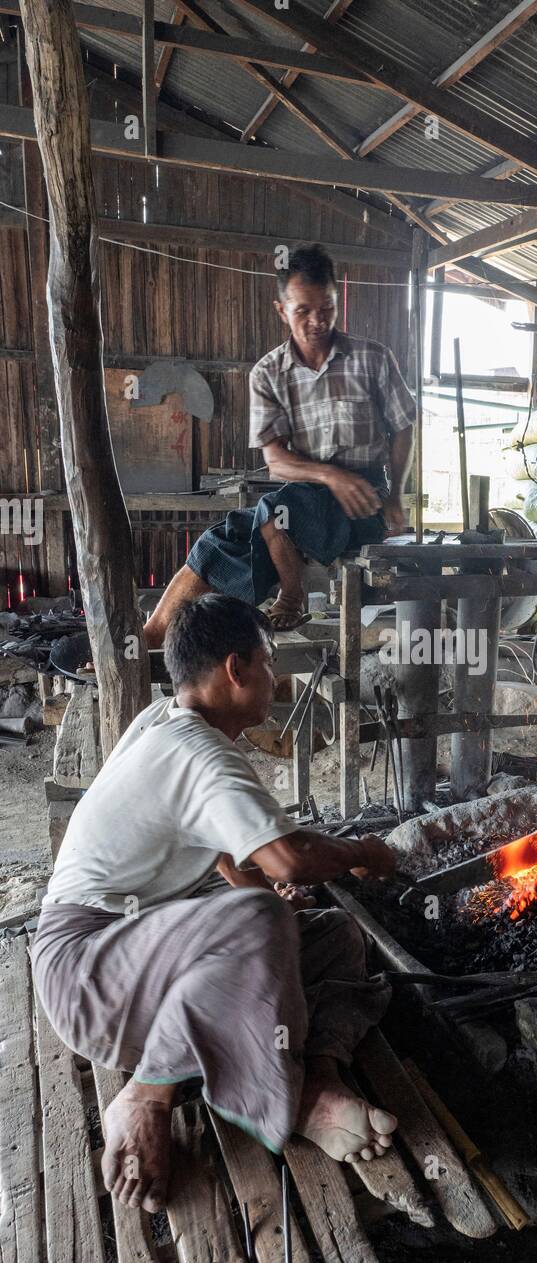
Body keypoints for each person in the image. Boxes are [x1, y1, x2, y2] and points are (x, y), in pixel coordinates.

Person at [33, 595, 398, 1213]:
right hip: (87, 972)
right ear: (237, 668)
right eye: (268, 660)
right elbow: (288, 858)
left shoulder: (163, 718)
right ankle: (149, 1094)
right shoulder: (199, 755)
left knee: (336, 933)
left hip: (137, 953)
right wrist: (364, 849)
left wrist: (275, 913)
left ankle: (317, 1075)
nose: (274, 679)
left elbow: (227, 857)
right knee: (260, 919)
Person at [143, 243, 416, 647]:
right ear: (281, 310)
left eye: (326, 308)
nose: (316, 321)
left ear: (337, 302)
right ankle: (151, 638)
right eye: (302, 311)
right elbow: (276, 461)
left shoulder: (372, 359)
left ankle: (291, 596)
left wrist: (394, 495)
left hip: (364, 499)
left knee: (274, 512)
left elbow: (404, 426)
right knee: (225, 538)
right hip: (307, 493)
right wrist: (329, 476)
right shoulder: (268, 373)